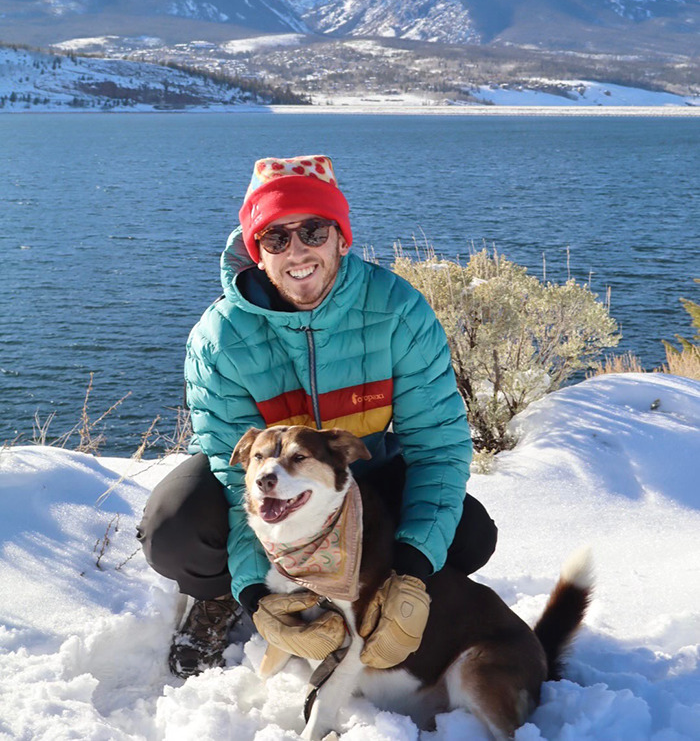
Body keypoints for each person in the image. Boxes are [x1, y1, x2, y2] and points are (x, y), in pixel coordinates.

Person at [137, 155, 497, 678]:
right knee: (176, 526)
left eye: (313, 230)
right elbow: (231, 468)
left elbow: (438, 445)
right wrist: (254, 591)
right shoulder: (219, 338)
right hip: (269, 482)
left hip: (364, 470)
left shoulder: (397, 310)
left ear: (342, 238)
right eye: (276, 239)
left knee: (468, 534)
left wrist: (414, 569)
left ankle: (384, 594)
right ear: (257, 254)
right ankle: (219, 599)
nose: (298, 251)